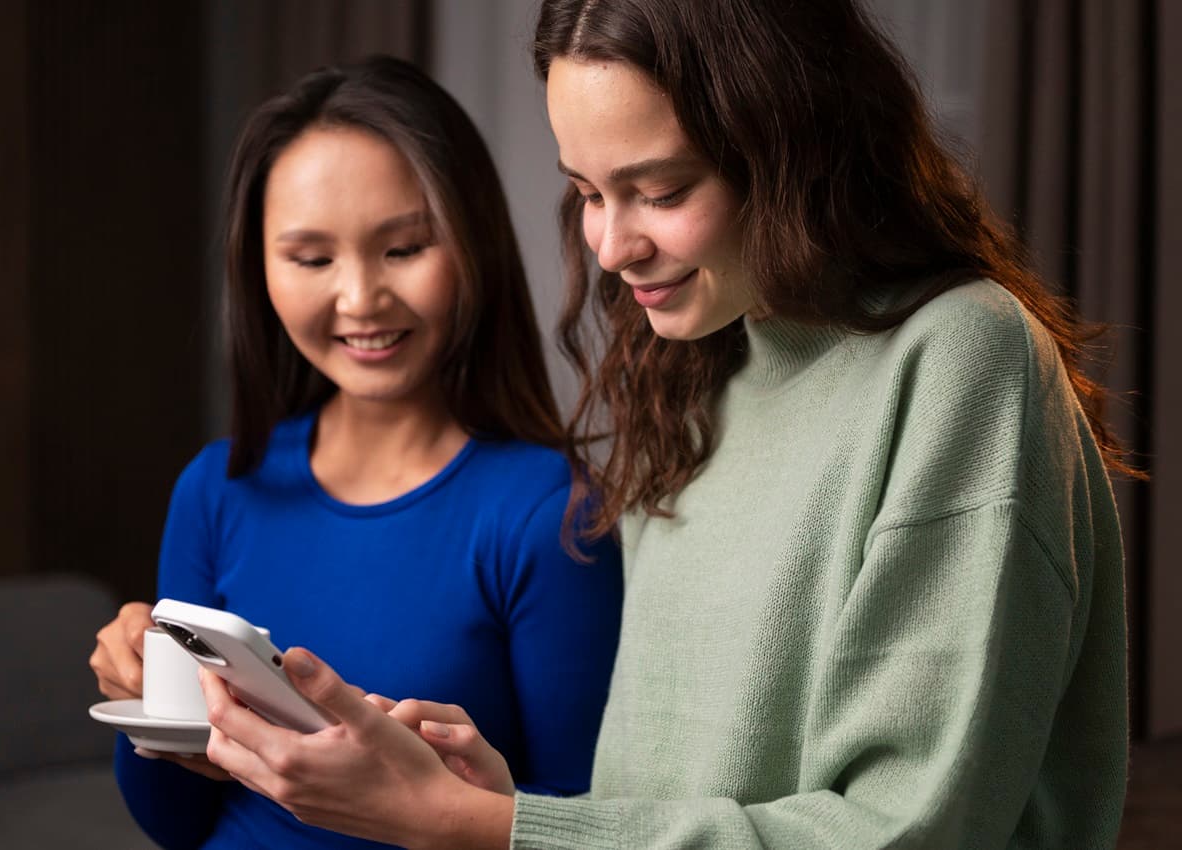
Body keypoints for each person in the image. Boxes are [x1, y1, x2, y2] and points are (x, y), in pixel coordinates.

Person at [191, 2, 1134, 848]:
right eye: (590, 192)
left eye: (663, 191)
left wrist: (490, 828)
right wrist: (512, 805)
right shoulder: (694, 361)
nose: (610, 245)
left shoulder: (960, 358)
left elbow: (909, 829)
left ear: (792, 143)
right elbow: (671, 794)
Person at [87, 55, 623, 850]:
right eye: (311, 259)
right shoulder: (217, 490)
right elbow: (173, 823)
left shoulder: (549, 515)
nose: (361, 299)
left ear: (471, 244)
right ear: (259, 270)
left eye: (403, 248)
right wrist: (147, 713)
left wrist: (428, 799)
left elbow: (578, 827)